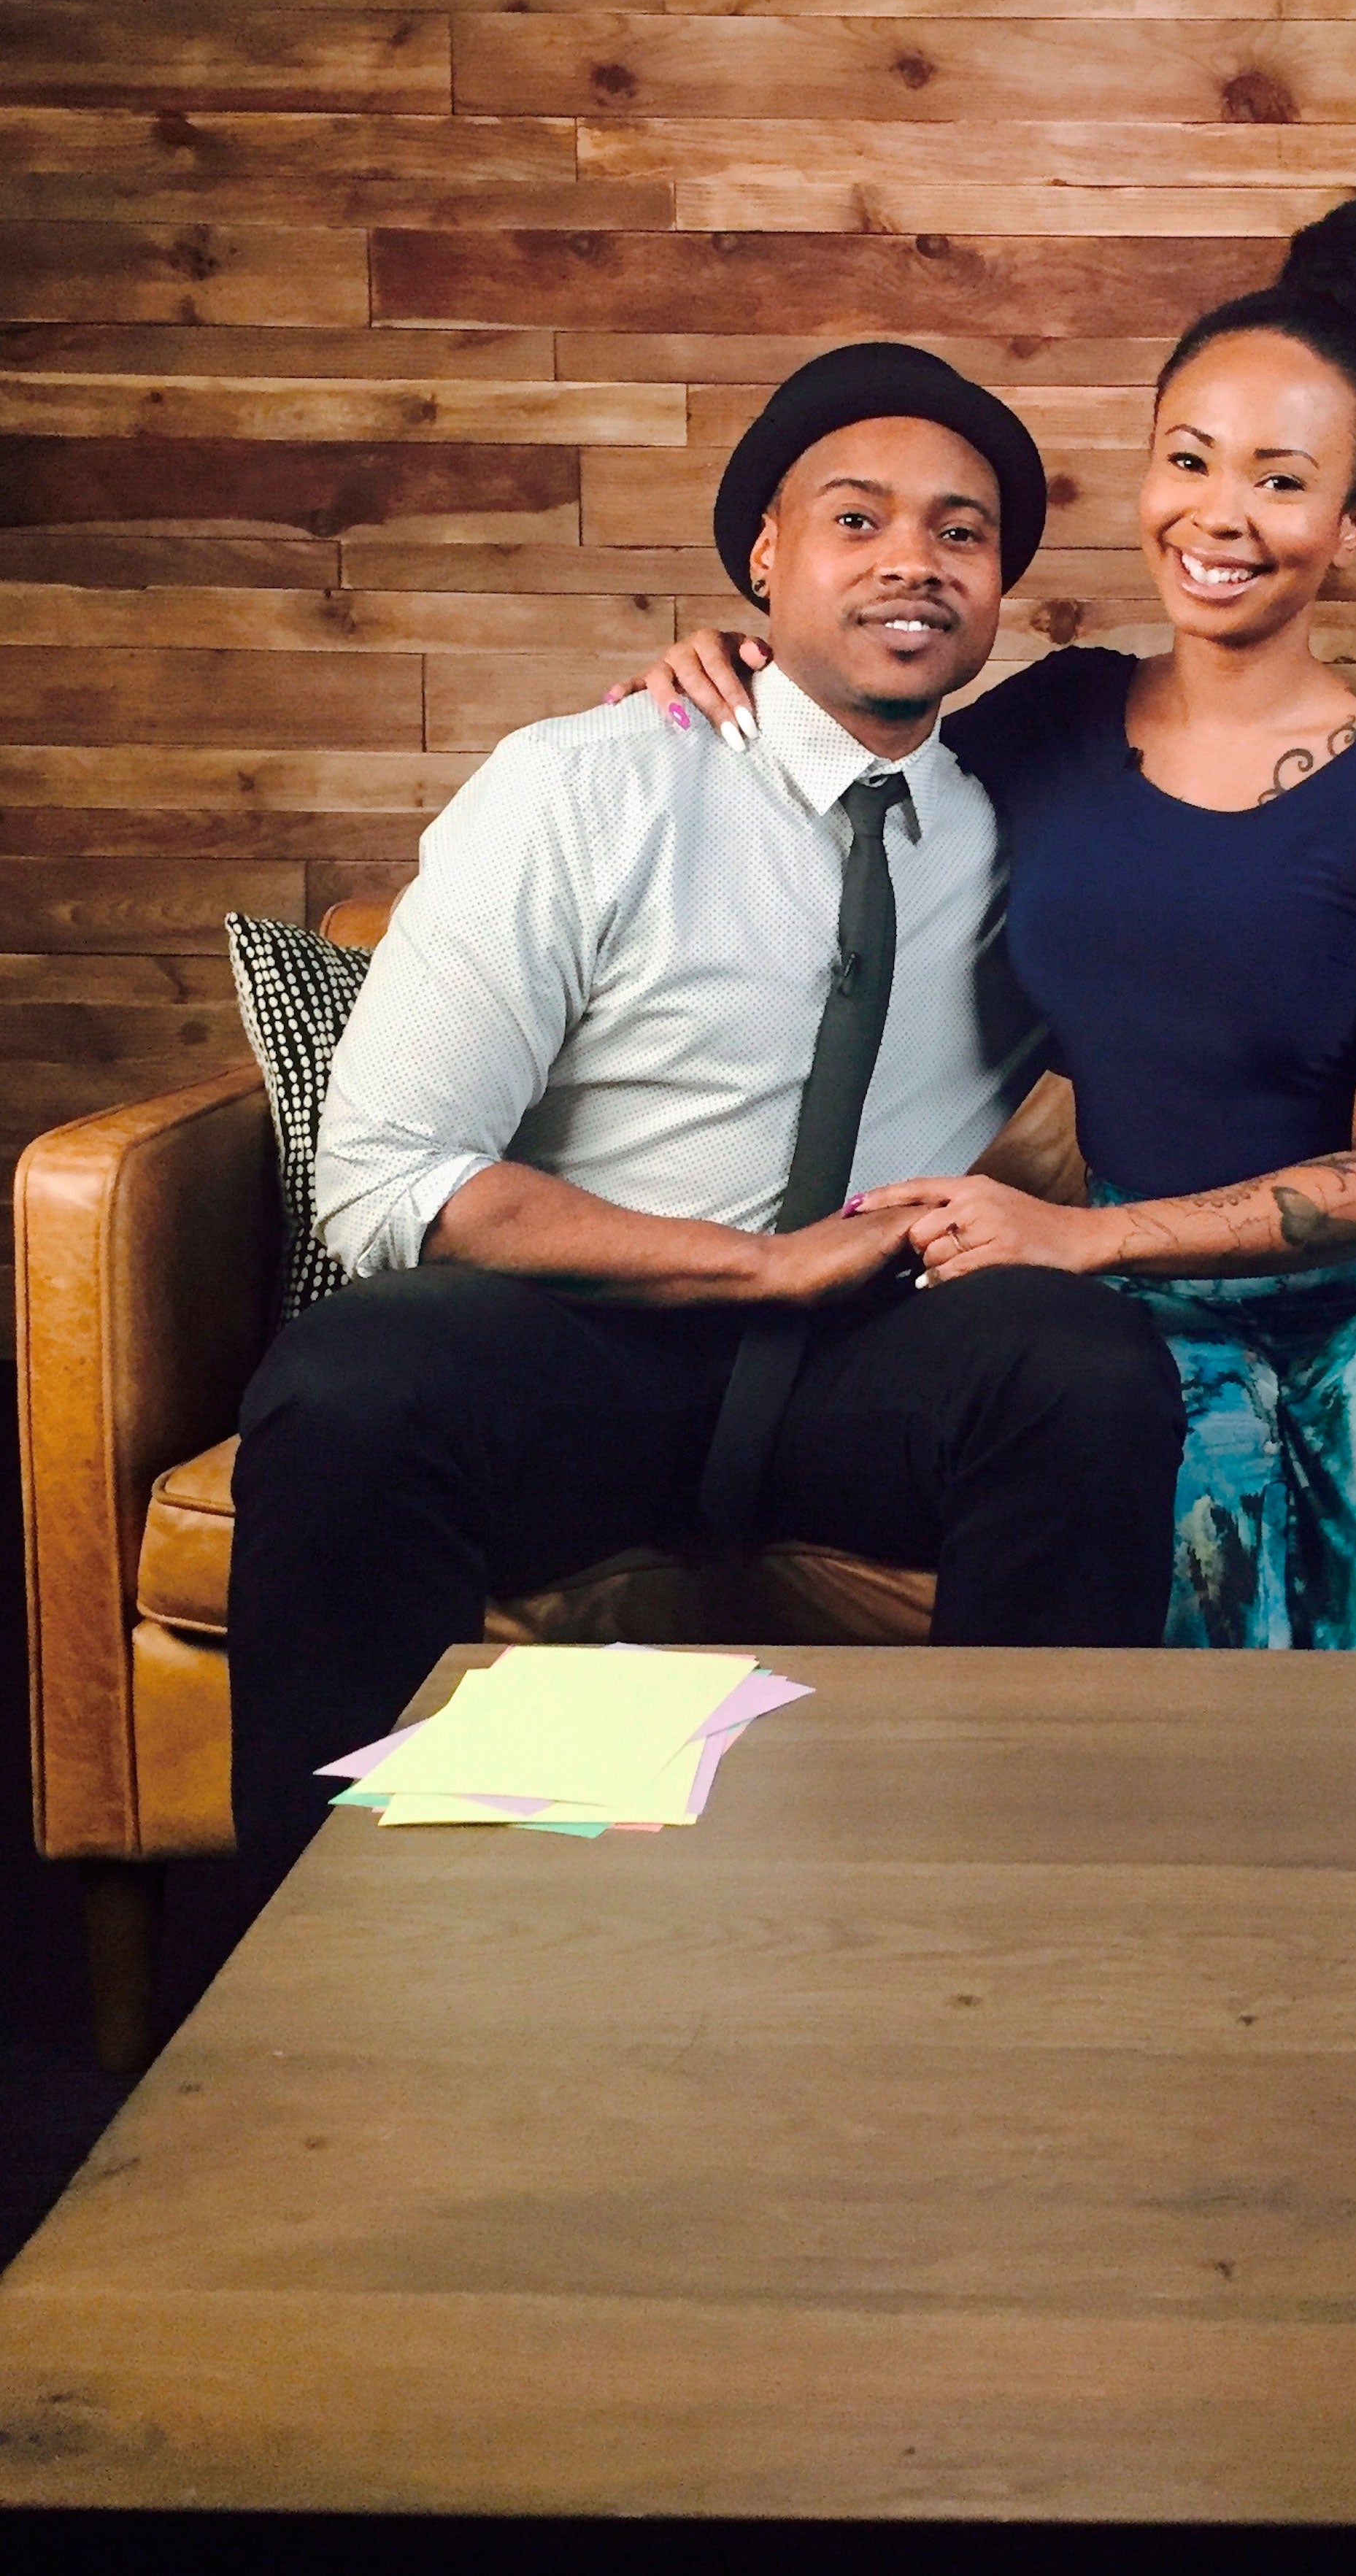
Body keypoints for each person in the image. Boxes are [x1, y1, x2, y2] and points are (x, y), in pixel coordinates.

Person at [620, 194, 1356, 1659]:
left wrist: (1089, 1238)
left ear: (1353, 523)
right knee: (1167, 1660)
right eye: (1189, 459)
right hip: (1137, 1311)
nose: (1219, 516)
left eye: (1281, 482)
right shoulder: (1052, 722)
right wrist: (729, 659)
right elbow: (848, 750)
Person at [226, 346, 1188, 1902]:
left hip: (865, 1368)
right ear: (763, 559)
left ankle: (1013, 1916)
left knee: (1080, 1365)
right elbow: (389, 1176)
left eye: (958, 533)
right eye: (855, 520)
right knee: (355, 1380)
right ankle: (306, 1956)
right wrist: (757, 1264)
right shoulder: (583, 786)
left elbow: (1239, 1037)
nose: (911, 562)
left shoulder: (1033, 830)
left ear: (1001, 586)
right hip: (587, 1345)